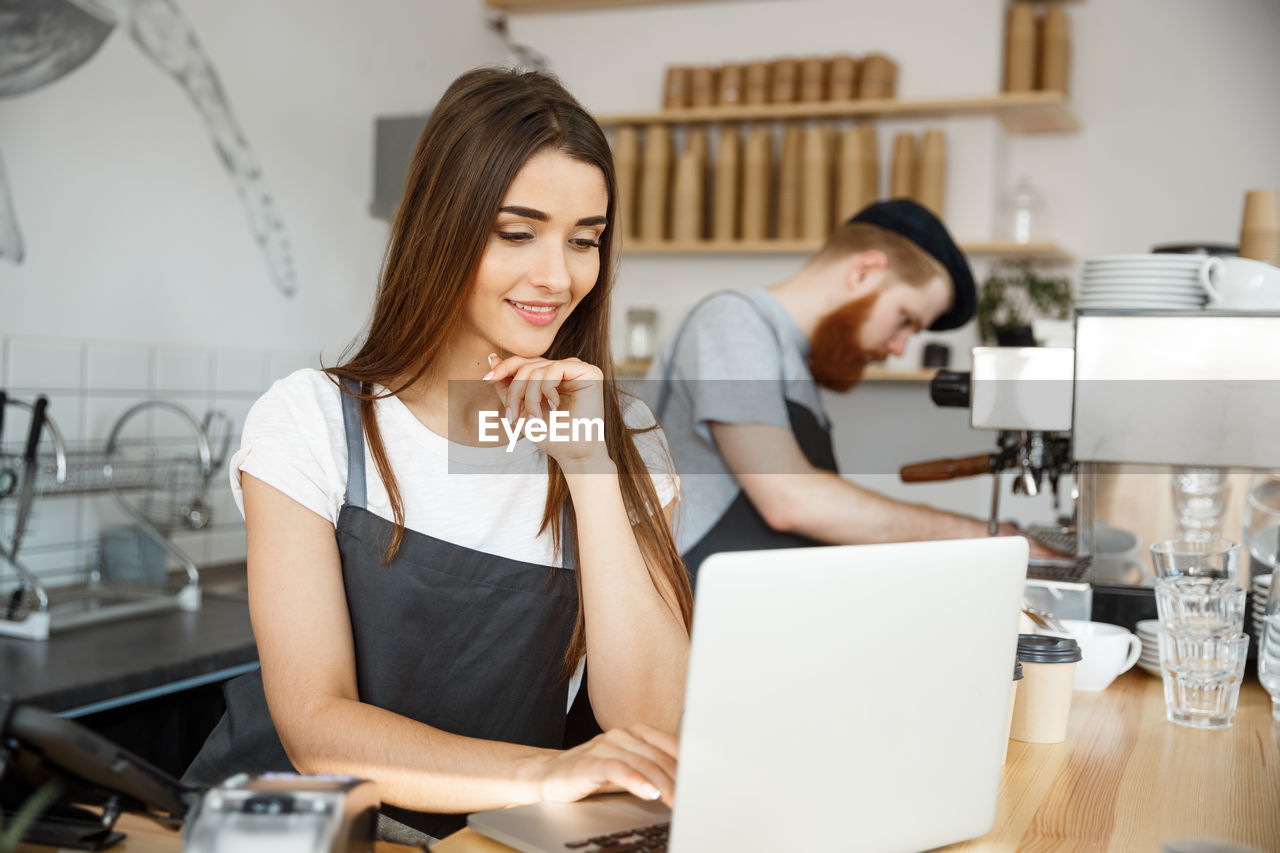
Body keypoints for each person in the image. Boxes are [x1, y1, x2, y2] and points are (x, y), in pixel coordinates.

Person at [183, 67, 692, 844]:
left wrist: (590, 472)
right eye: (516, 232)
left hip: (481, 839)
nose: (557, 277)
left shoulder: (623, 436)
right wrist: (547, 771)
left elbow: (653, 726)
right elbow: (317, 731)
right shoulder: (312, 422)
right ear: (442, 227)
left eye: (585, 240)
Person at [644, 199, 1051, 582]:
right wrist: (978, 535)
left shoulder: (790, 359)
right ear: (864, 271)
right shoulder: (733, 321)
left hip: (751, 610)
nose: (898, 348)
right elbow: (789, 499)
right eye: (905, 320)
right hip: (687, 614)